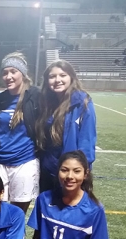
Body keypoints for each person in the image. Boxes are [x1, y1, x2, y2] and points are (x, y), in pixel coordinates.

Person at [0, 52, 41, 213]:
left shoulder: (35, 96)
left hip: (24, 162)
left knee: (17, 214)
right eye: (5, 73)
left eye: (13, 72)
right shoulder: (0, 99)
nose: (8, 76)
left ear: (23, 74)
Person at [35, 60, 96, 193]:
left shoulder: (82, 102)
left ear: (71, 77)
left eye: (62, 75)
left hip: (70, 172)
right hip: (48, 171)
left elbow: (87, 139)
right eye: (52, 77)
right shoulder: (46, 103)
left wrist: (81, 170)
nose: (57, 80)